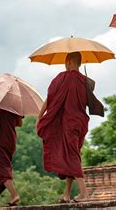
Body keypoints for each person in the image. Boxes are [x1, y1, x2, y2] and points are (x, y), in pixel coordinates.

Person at [36, 52, 90, 203]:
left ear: (68, 62)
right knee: (70, 155)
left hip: (67, 123)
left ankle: (84, 193)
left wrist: (40, 117)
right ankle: (66, 194)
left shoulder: (62, 78)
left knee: (71, 157)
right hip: (80, 123)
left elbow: (50, 98)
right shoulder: (86, 81)